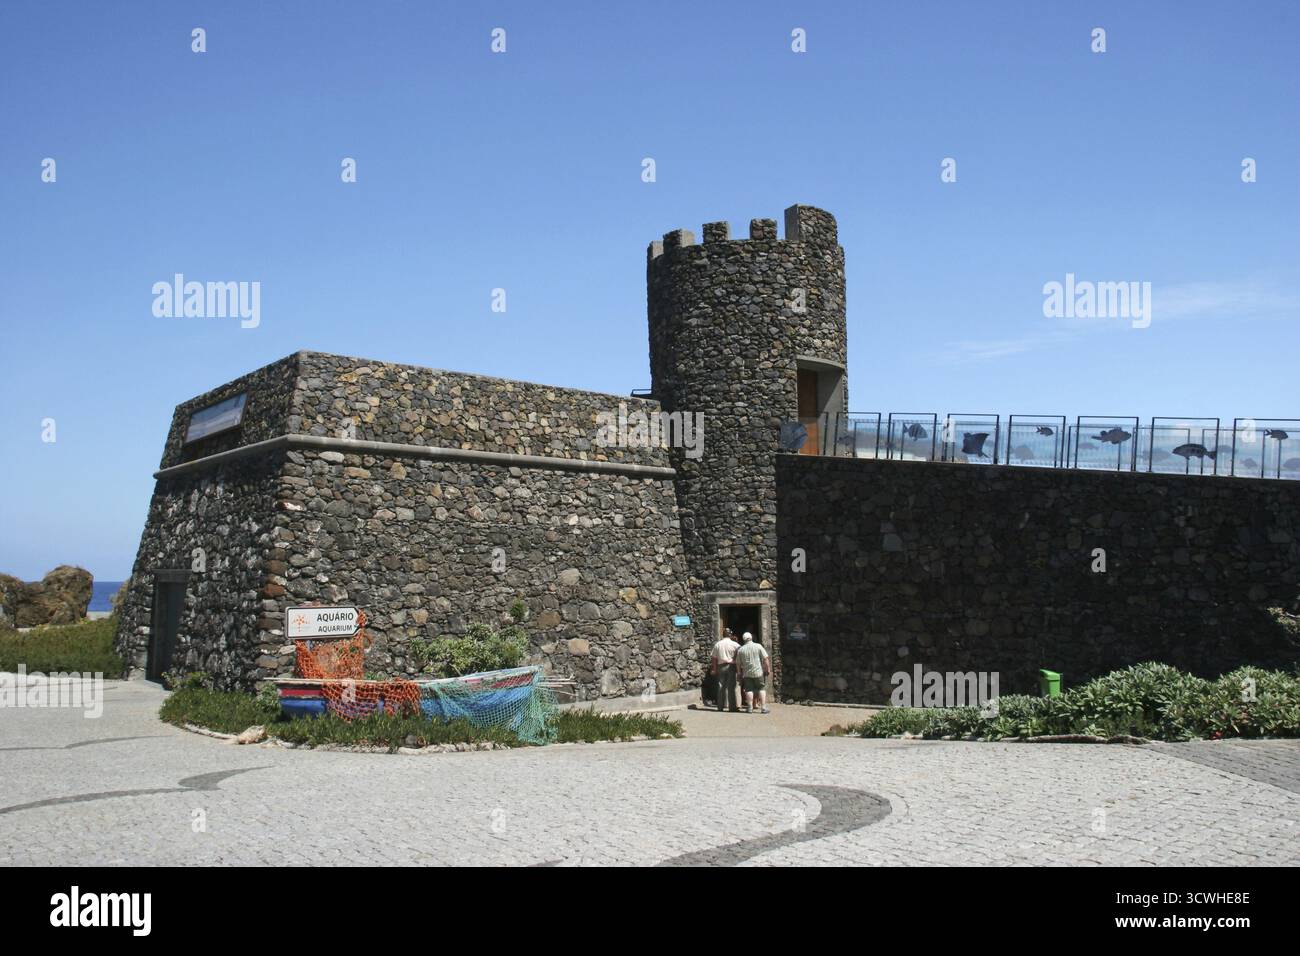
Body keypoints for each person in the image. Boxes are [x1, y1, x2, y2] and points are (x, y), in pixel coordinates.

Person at [734, 631, 770, 714]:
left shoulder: (741, 649)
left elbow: (738, 663)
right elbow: (766, 658)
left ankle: (750, 708)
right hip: (758, 672)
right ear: (751, 638)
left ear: (743, 639)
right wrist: (767, 669)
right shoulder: (758, 646)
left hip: (747, 673)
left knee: (748, 689)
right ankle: (763, 707)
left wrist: (739, 673)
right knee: (761, 688)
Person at [709, 628, 741, 712]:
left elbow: (714, 658)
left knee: (720, 686)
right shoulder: (736, 645)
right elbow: (739, 657)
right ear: (730, 635)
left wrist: (714, 669)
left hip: (721, 666)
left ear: (723, 634)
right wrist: (739, 670)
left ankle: (720, 706)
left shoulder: (718, 644)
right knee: (731, 687)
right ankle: (732, 707)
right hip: (732, 666)